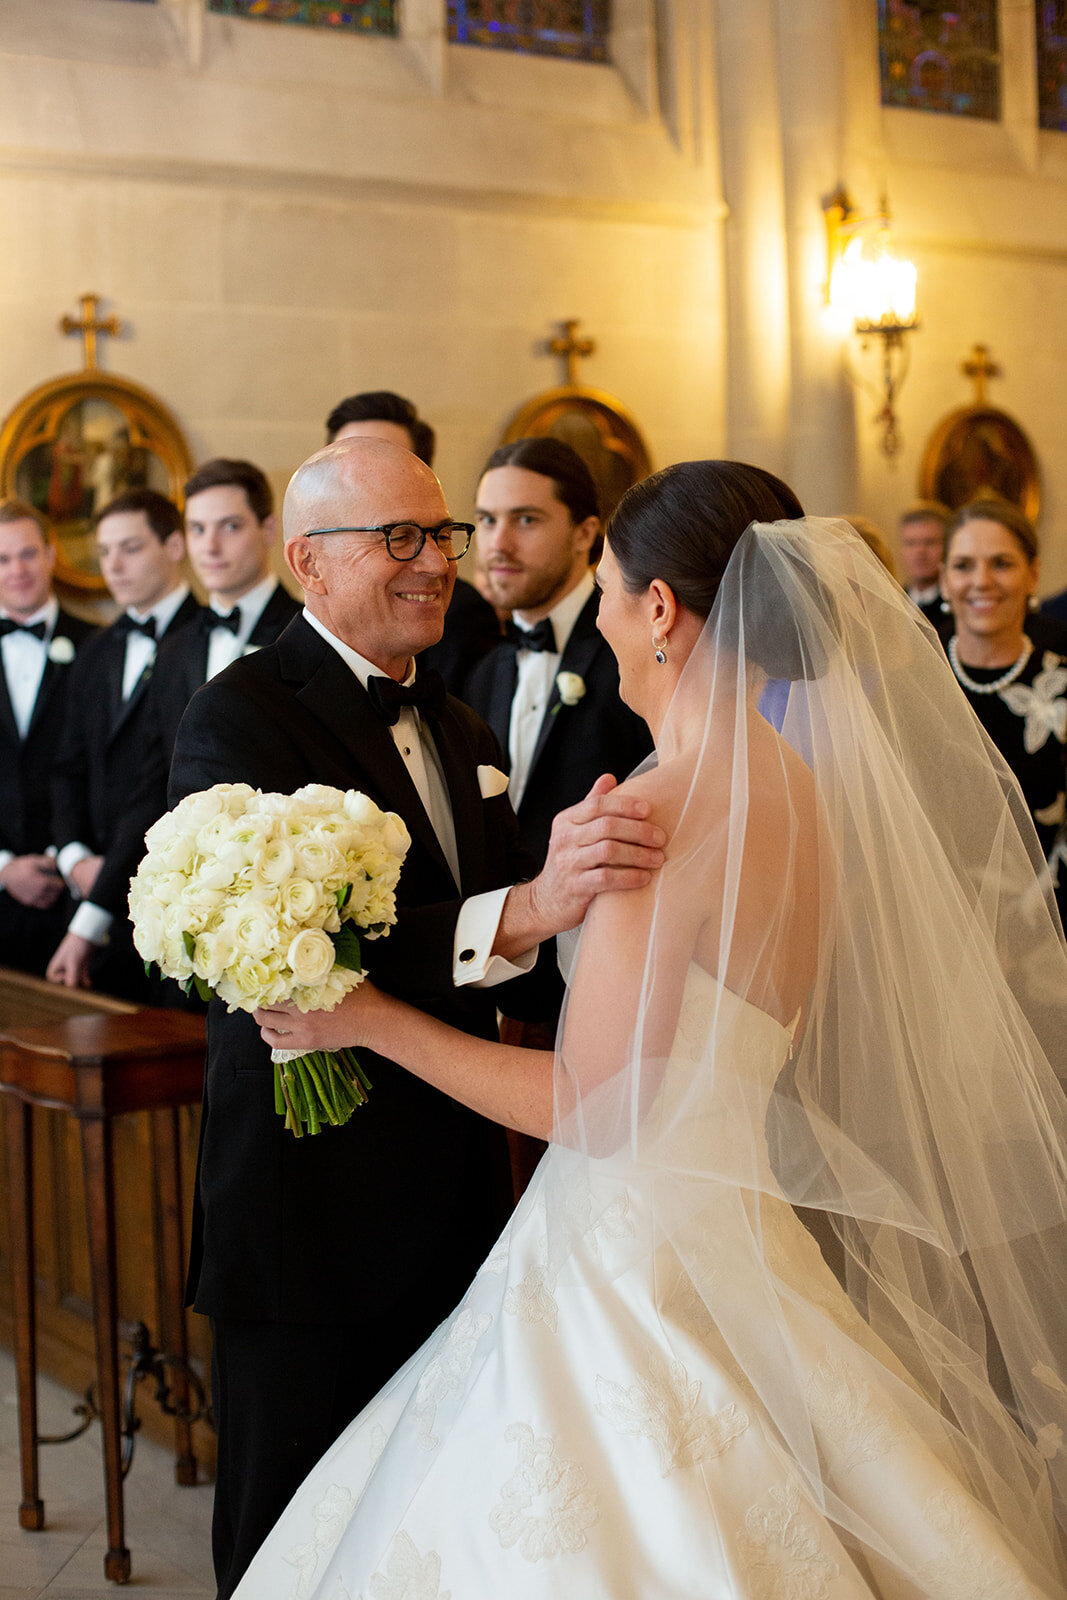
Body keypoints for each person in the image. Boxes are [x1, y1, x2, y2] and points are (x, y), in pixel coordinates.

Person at [241, 462, 1067, 1599]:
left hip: (620, 1262)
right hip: (744, 1243)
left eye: (615, 590)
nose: (610, 619)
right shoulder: (807, 797)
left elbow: (587, 1105)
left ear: (661, 609)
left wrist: (371, 1020)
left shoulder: (649, 811)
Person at [167, 436, 665, 1600]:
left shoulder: (463, 726)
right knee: (289, 1533)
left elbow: (492, 964)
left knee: (421, 1531)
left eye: (436, 536)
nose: (435, 563)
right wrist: (529, 907)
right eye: (398, 538)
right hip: (304, 1210)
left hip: (453, 1199)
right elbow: (292, 967)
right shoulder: (239, 719)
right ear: (308, 562)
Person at [46, 459, 301, 991]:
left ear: (268, 530)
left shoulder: (303, 636)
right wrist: (94, 917)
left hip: (281, 897)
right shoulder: (178, 648)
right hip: (181, 909)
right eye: (199, 528)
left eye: (229, 526)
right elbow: (154, 781)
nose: (211, 546)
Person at [465, 437, 653, 872]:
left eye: (526, 520)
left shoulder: (633, 650)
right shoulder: (485, 671)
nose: (499, 544)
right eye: (487, 521)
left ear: (585, 533)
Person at [48, 488, 201, 999]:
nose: (113, 565)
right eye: (105, 551)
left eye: (130, 548)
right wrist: (72, 857)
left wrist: (109, 879)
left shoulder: (205, 643)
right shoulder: (95, 649)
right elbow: (66, 765)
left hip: (174, 900)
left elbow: (164, 784)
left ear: (175, 546)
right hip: (88, 895)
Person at [940, 496, 1067, 918]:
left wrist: (1026, 927)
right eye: (963, 565)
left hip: (1050, 925)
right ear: (943, 579)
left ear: (1033, 574)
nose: (981, 581)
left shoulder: (1062, 685)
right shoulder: (907, 677)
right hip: (933, 928)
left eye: (1002, 563)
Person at [326, 389, 500, 691]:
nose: (366, 481)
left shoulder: (459, 612)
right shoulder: (314, 604)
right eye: (350, 465)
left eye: (387, 463)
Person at [0, 499, 96, 975]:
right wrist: (3, 869)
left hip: (78, 906)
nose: (16, 570)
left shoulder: (99, 646)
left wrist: (70, 856)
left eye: (27, 554)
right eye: (2, 559)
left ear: (51, 556)